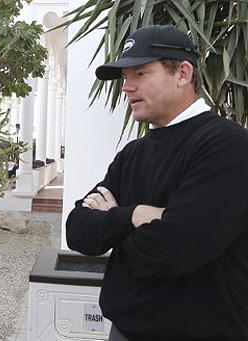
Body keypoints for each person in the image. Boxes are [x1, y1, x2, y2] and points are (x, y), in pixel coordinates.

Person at [66, 25, 248, 340]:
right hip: (123, 331)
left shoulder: (228, 145)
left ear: (182, 73)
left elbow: (173, 251)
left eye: (140, 73)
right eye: (126, 77)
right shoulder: (133, 154)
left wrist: (111, 224)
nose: (127, 87)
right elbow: (78, 231)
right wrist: (134, 215)